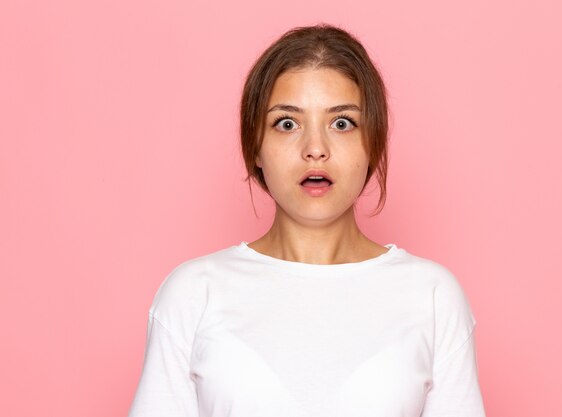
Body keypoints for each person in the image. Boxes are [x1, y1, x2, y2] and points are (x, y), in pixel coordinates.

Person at [127, 24, 486, 417]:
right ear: (256, 148)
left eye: (342, 123)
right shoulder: (193, 294)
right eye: (287, 123)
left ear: (373, 143)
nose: (315, 149)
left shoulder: (432, 296)